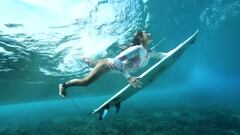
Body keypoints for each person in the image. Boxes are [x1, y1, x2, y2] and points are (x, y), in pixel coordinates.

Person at [59, 30, 167, 98]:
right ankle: (64, 85)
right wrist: (129, 77)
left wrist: (170, 53)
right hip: (107, 65)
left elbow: (161, 55)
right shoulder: (137, 49)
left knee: (92, 63)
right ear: (140, 38)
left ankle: (81, 56)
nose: (149, 33)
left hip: (109, 65)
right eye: (146, 33)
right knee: (85, 82)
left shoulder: (148, 53)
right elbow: (118, 60)